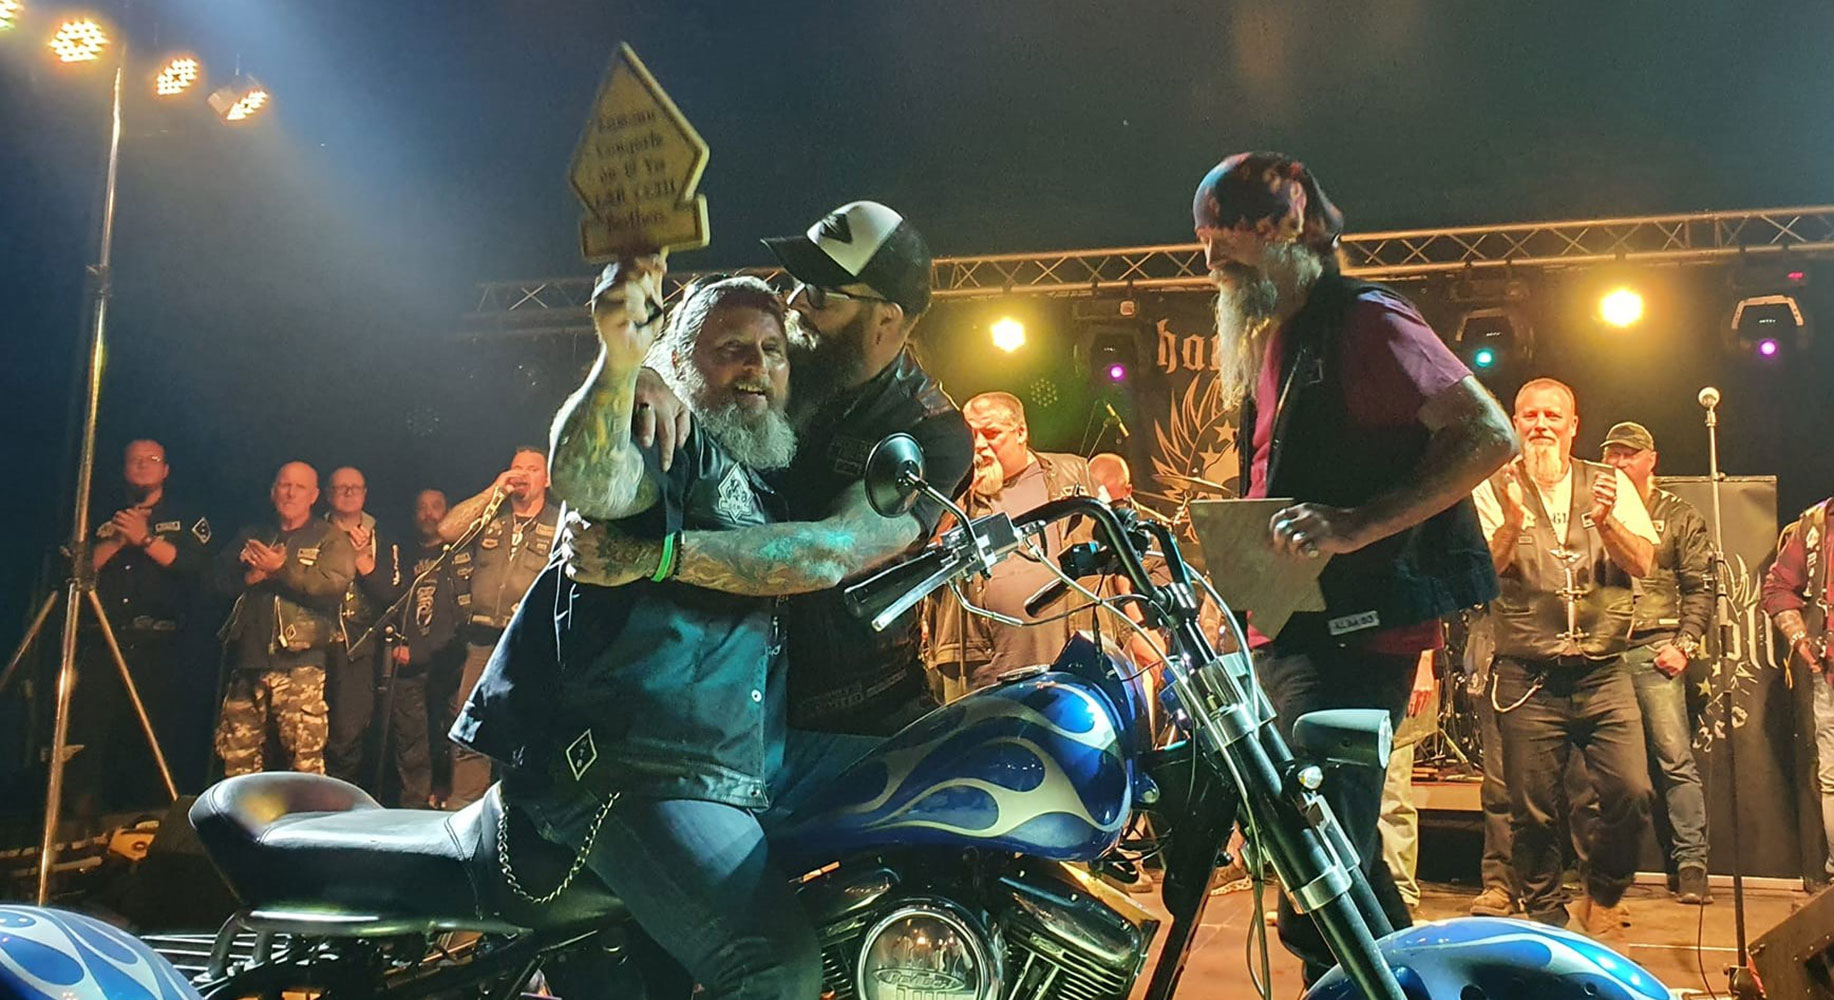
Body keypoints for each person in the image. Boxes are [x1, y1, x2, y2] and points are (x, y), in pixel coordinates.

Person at [456, 266, 845, 999]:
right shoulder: (664, 434)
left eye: (772, 350)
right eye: (731, 348)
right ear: (681, 360)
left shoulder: (767, 470)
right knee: (773, 970)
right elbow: (592, 478)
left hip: (735, 760)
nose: (757, 366)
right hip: (632, 771)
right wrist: (621, 364)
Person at [1194, 151, 1515, 982]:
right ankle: (1409, 986)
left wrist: (1357, 525)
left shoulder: (1368, 320)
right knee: (1340, 862)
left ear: (1288, 224)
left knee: (1323, 864)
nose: (1210, 258)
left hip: (1354, 635)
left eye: (1225, 237)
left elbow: (1489, 436)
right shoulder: (1285, 336)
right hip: (1292, 630)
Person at [563, 201, 974, 737]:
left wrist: (652, 557)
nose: (795, 302)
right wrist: (640, 373)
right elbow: (691, 362)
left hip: (858, 716)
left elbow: (832, 552)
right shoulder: (778, 362)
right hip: (725, 708)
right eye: (796, 282)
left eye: (821, 294)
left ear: (886, 320)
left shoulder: (930, 430)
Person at [1470, 377, 1658, 942]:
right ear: (1515, 423)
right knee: (1531, 813)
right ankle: (1546, 919)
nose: (1541, 425)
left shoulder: (1610, 483)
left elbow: (1643, 563)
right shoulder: (1494, 483)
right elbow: (1481, 573)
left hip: (1602, 671)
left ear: (1574, 426)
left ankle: (1603, 892)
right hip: (1527, 675)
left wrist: (1605, 520)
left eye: (1553, 415)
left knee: (1632, 792)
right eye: (1530, 415)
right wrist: (1511, 521)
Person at [1600, 421, 1714, 904]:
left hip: (1655, 645)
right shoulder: (1592, 511)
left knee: (1674, 759)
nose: (1619, 462)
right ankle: (1602, 870)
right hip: (1602, 650)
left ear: (1651, 460)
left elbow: (1701, 588)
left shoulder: (1679, 514)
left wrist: (1684, 645)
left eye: (1629, 454)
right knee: (1598, 767)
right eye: (1612, 454)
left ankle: (1692, 865)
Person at [922, 391, 1097, 699]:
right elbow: (925, 559)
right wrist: (958, 490)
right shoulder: (951, 488)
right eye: (971, 435)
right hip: (981, 668)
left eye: (991, 434)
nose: (979, 445)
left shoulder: (1072, 474)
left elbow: (1117, 554)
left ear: (1021, 432)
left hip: (1071, 658)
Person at [71, 439, 215, 808]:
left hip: (163, 649)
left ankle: (152, 821)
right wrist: (120, 541)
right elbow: (76, 572)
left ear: (165, 470)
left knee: (155, 743)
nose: (142, 465)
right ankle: (82, 822)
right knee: (90, 742)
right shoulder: (97, 514)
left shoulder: (186, 517)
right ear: (123, 468)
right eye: (134, 459)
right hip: (105, 643)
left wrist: (146, 539)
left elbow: (198, 570)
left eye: (151, 459)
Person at [213, 461, 355, 777]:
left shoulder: (328, 537)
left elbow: (333, 585)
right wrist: (248, 576)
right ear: (273, 491)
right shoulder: (252, 534)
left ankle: (305, 813)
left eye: (299, 487)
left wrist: (281, 571)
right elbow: (214, 581)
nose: (290, 493)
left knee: (303, 762)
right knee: (237, 762)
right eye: (284, 485)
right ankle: (244, 812)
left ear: (314, 495)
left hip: (299, 664)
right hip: (247, 663)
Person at [436, 446, 558, 807]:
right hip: (482, 641)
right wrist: (494, 490)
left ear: (547, 479)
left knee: (524, 727)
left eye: (532, 469)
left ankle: (518, 810)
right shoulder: (492, 517)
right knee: (470, 726)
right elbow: (447, 529)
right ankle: (463, 807)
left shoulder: (559, 522)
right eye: (516, 467)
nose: (522, 474)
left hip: (529, 642)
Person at [1762, 495, 1834, 884]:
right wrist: (1800, 638)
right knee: (1833, 779)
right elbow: (1777, 589)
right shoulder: (1816, 523)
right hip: (1830, 675)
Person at [323, 465, 403, 787]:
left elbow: (393, 594)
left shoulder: (383, 537)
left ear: (365, 494)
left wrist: (362, 559)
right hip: (313, 642)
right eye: (340, 487)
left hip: (358, 646)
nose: (348, 493)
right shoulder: (313, 530)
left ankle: (341, 798)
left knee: (349, 729)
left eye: (355, 487)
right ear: (327, 494)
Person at [388, 489, 462, 807]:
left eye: (436, 506)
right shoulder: (401, 556)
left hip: (453, 660)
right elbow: (390, 603)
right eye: (421, 508)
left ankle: (451, 798)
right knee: (411, 739)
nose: (429, 513)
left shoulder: (462, 552)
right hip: (410, 662)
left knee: (453, 733)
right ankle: (414, 805)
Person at [1377, 648, 1440, 917]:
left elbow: (1424, 621)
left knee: (1392, 794)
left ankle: (1400, 898)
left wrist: (1423, 666)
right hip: (1337, 676)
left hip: (1391, 672)